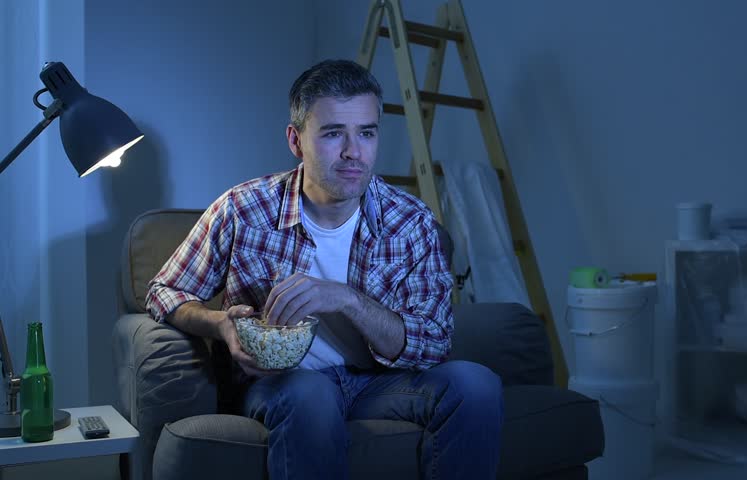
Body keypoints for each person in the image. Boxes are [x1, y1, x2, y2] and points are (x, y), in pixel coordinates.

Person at [146, 59, 504, 479]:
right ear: (296, 141)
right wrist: (221, 324)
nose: (354, 152)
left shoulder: (410, 221)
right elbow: (164, 291)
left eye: (366, 133)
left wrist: (348, 300)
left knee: (477, 385)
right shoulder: (244, 210)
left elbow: (434, 341)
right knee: (310, 394)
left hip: (380, 384)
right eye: (334, 133)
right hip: (287, 384)